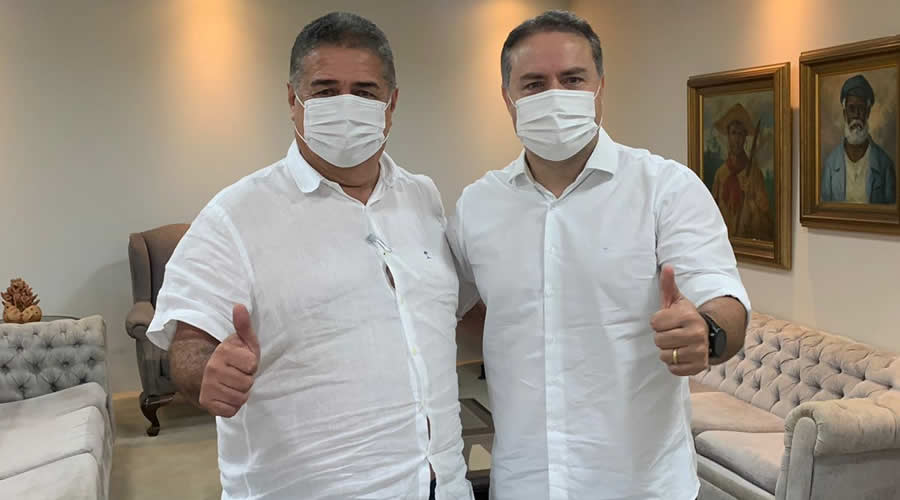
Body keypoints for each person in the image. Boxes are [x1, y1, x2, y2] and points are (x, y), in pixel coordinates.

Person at [146, 12, 473, 500]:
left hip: (441, 483)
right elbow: (190, 343)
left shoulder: (422, 197)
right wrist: (208, 373)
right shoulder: (235, 215)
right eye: (325, 91)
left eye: (364, 92)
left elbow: (443, 315)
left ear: (391, 104)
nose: (346, 105)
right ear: (292, 101)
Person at [450, 10, 749, 500]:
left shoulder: (665, 189)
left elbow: (724, 298)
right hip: (524, 481)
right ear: (508, 99)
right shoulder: (477, 207)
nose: (554, 95)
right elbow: (448, 308)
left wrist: (708, 332)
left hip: (641, 485)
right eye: (534, 84)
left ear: (600, 89)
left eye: (572, 79)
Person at [821, 74, 896, 204]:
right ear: (844, 113)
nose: (856, 115)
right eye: (851, 108)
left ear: (868, 113)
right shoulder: (830, 164)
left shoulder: (885, 164)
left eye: (861, 108)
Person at [710, 103, 772, 240]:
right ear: (728, 135)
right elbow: (711, 214)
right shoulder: (720, 174)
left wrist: (751, 200)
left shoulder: (755, 174)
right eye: (733, 133)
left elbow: (766, 221)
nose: (737, 139)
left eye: (741, 133)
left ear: (745, 137)